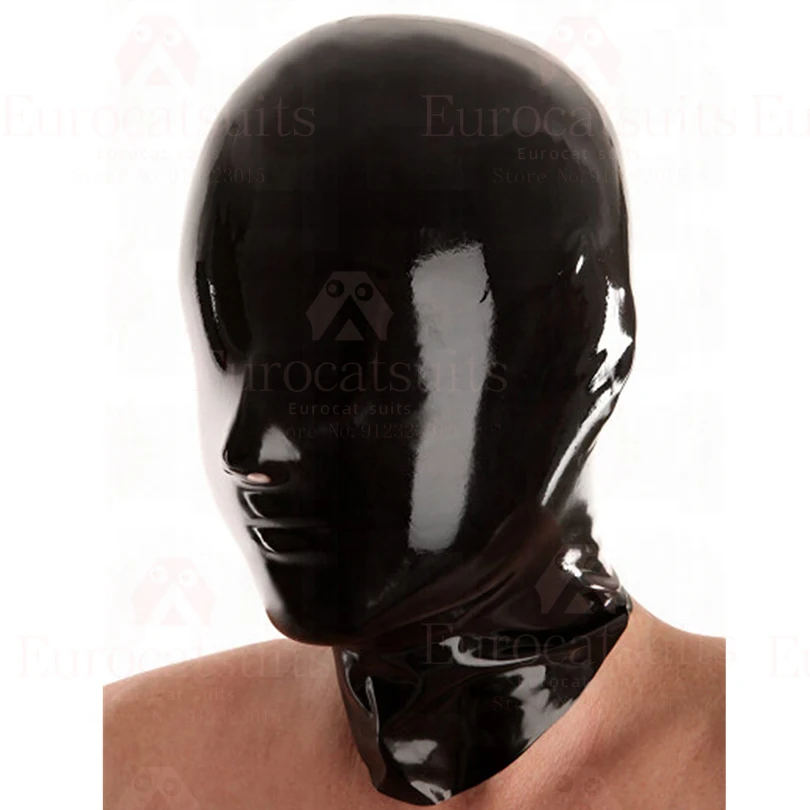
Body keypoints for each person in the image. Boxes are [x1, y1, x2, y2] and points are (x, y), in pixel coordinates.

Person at [104, 16, 725, 809]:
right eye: (225, 352)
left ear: (577, 342)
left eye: (343, 372)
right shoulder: (111, 765)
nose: (247, 449)